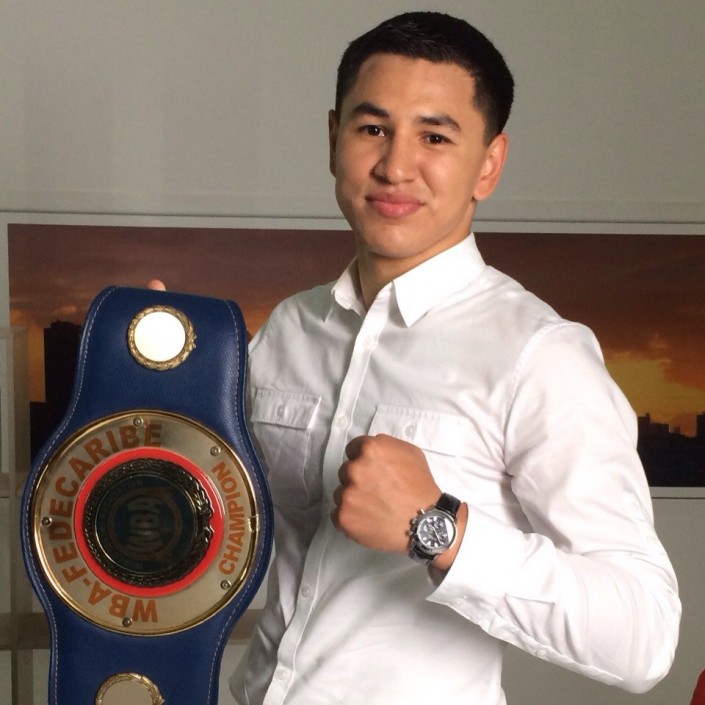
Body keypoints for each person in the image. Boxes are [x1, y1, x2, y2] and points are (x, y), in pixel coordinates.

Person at [227, 11, 680, 705]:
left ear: (488, 164)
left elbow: (643, 637)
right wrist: (152, 385)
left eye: (434, 136)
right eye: (372, 128)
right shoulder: (291, 327)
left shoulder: (540, 355)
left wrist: (434, 526)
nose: (394, 166)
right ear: (333, 138)